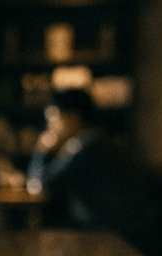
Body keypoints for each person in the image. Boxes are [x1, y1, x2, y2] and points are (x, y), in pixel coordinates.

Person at [27, 89, 143, 235]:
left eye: (54, 117)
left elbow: (40, 186)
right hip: (112, 230)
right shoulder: (97, 140)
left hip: (106, 235)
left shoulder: (85, 146)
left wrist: (42, 149)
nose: (50, 125)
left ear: (74, 117)